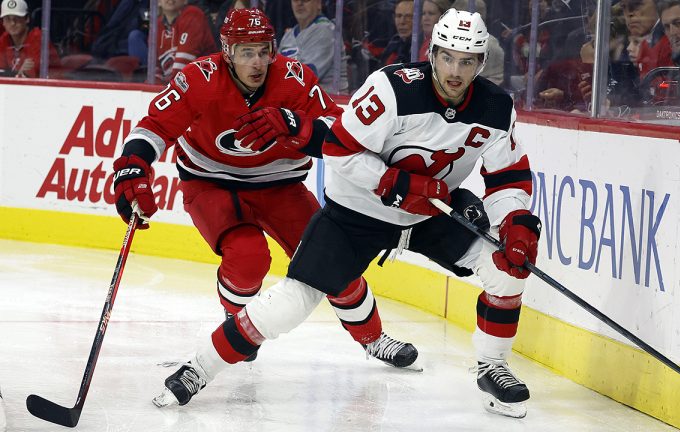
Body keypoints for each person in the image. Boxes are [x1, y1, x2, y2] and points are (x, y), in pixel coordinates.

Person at [155, 8, 541, 419]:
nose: (455, 71)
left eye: (467, 61)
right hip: (358, 212)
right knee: (294, 300)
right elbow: (339, 148)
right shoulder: (392, 89)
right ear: (432, 54)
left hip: (431, 212)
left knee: (506, 269)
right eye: (447, 57)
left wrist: (514, 221)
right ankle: (199, 367)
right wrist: (392, 181)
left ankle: (493, 367)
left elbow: (509, 175)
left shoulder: (497, 107)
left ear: (481, 63)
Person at [112, 8, 417, 370]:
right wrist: (133, 167)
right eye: (246, 52)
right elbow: (154, 127)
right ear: (227, 52)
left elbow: (338, 130)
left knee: (334, 259)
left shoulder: (294, 78)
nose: (257, 62)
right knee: (248, 257)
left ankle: (374, 339)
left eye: (264, 50)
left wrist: (297, 124)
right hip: (211, 184)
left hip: (281, 186)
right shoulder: (199, 79)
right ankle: (237, 325)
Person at [278, 0, 348, 92]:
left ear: (319, 4)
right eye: (295, 0)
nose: (299, 3)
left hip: (328, 102)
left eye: (306, 0)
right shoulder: (288, 35)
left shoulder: (325, 30)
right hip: (295, 102)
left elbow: (304, 77)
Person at [154, 0, 218, 82]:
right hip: (176, 85)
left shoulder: (193, 14)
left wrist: (169, 89)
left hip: (205, 82)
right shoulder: (157, 25)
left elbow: (183, 64)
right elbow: (155, 68)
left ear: (185, 1)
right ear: (158, 2)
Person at [0, 0, 60, 78]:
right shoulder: (4, 39)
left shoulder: (38, 38)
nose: (12, 23)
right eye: (8, 19)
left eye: (17, 18)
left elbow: (29, 74)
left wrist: (14, 74)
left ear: (27, 18)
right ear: (3, 22)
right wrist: (18, 73)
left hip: (53, 87)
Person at [380, 0, 414, 65]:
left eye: (409, 16)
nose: (402, 22)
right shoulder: (393, 44)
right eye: (398, 16)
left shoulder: (422, 48)